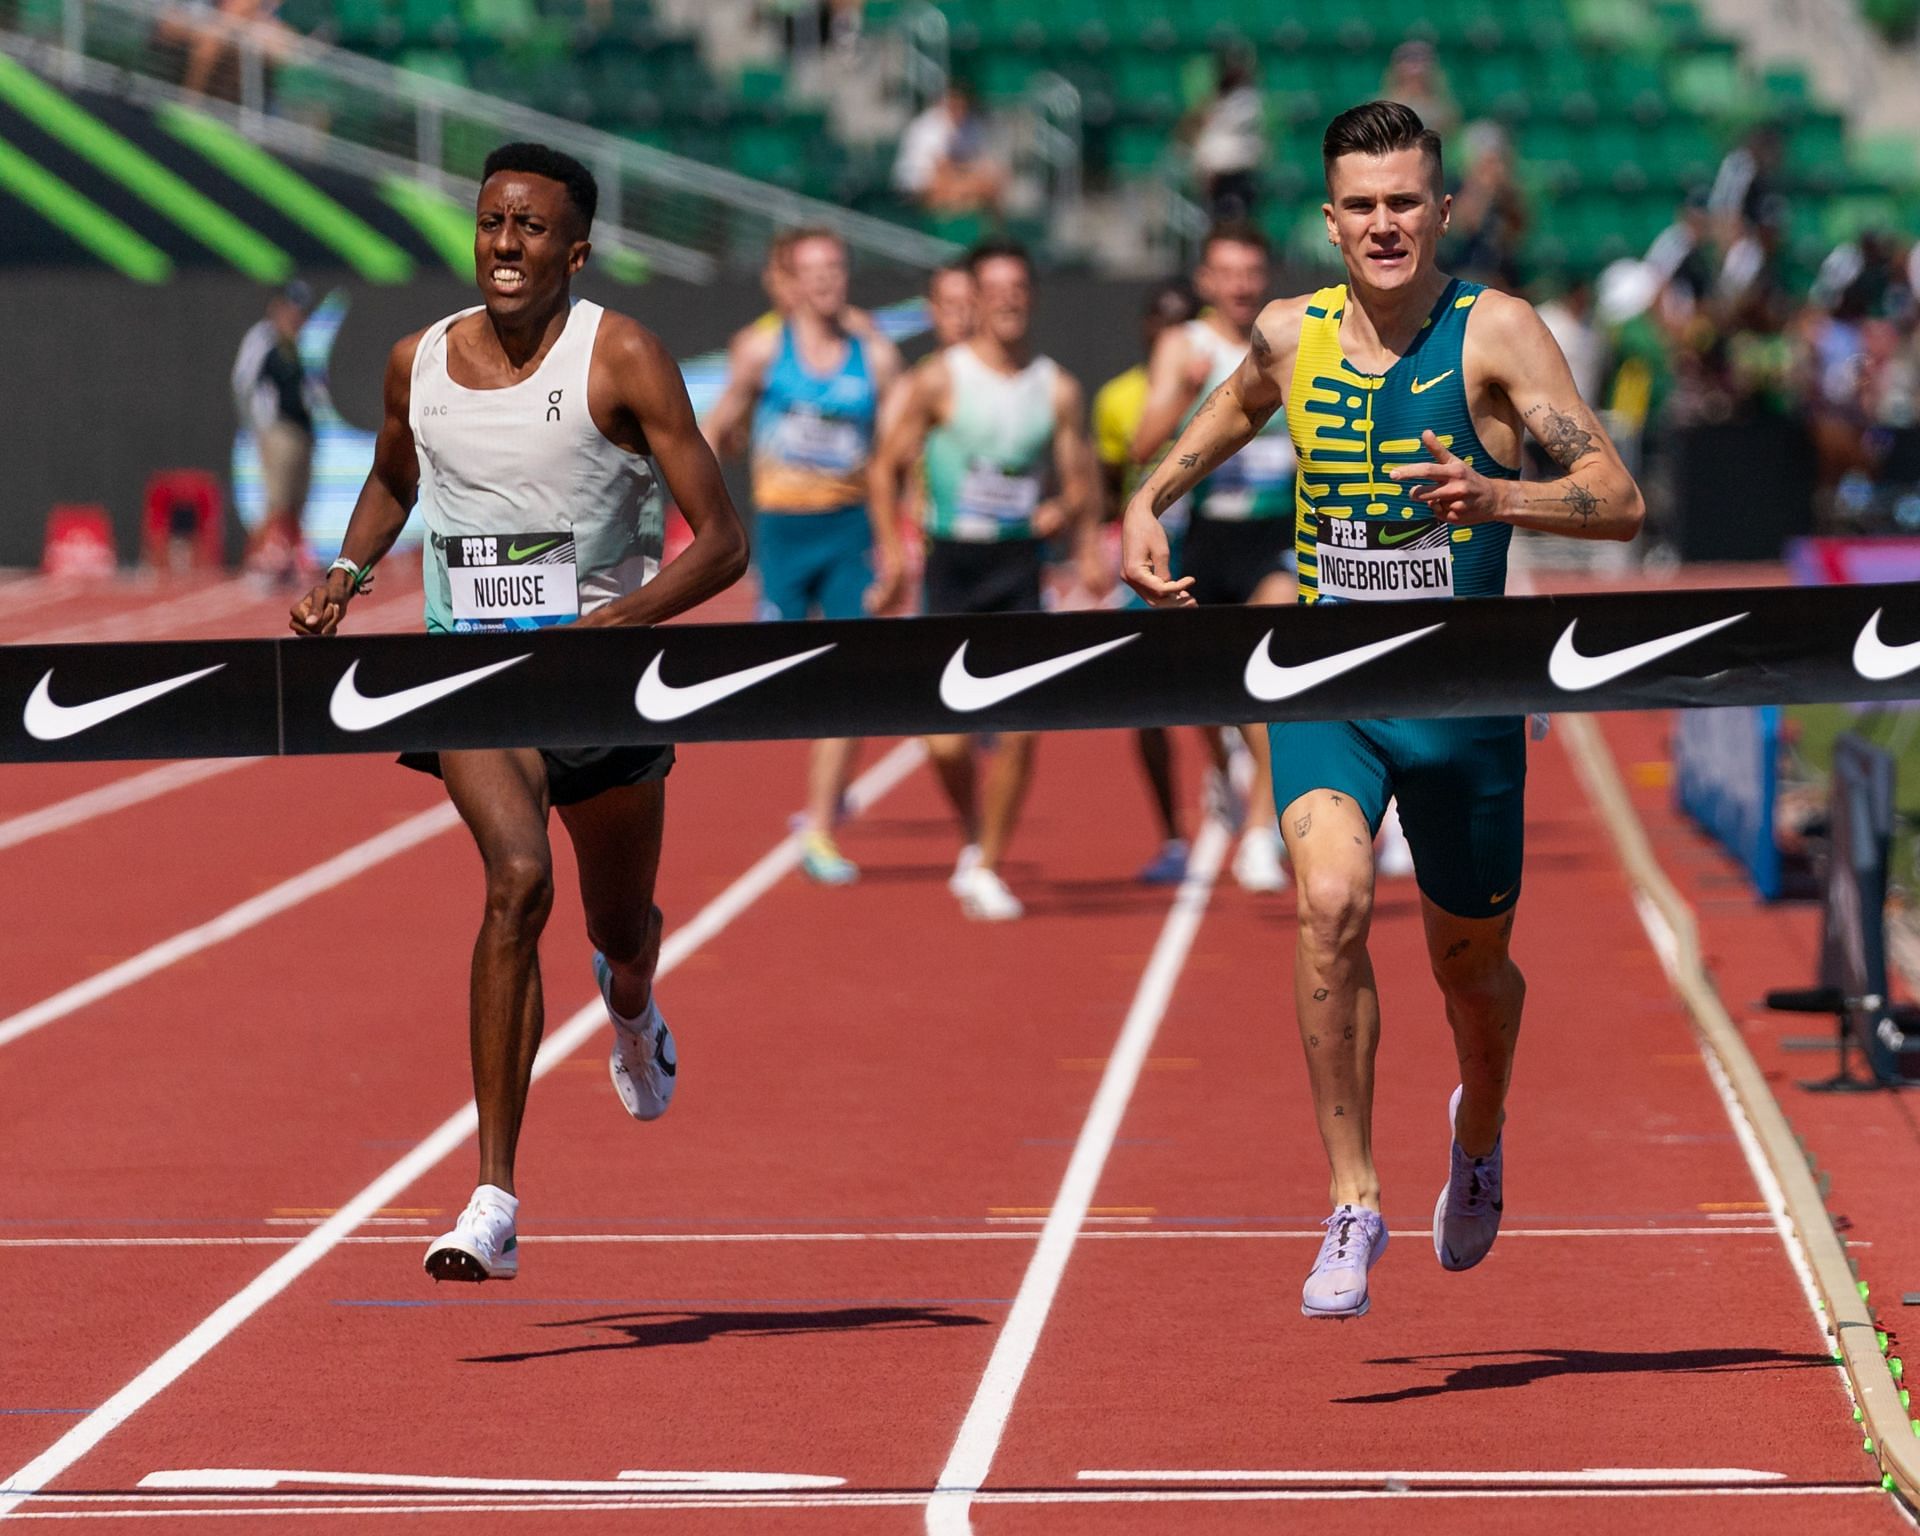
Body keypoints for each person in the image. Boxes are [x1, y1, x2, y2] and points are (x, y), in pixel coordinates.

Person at [1122, 101, 1644, 1319]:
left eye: (1405, 201)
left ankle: (1482, 1127)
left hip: (1461, 703)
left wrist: (1494, 498)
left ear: (1443, 209)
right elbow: (1239, 400)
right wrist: (1150, 495)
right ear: (1329, 218)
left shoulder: (1496, 333)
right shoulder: (1288, 330)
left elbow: (1615, 499)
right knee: (1332, 903)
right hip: (1325, 684)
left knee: (1474, 975)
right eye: (1361, 204)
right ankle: (1354, 1200)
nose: (1384, 224)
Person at [288, 142, 749, 1282]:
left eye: (532, 229)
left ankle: (632, 1009)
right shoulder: (419, 361)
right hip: (473, 673)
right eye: (493, 222)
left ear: (575, 251)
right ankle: (493, 1197)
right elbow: (397, 477)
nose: (506, 244)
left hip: (602, 681)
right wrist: (345, 575)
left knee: (618, 930)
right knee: (516, 879)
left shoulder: (622, 355)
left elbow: (725, 543)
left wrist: (620, 623)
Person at [870, 239, 1096, 920]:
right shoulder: (940, 379)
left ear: (1030, 295)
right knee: (944, 739)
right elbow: (884, 467)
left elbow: (1080, 478)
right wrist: (890, 551)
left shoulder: (1056, 387)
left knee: (1022, 729)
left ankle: (990, 863)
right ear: (975, 297)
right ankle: (976, 832)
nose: (1007, 299)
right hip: (953, 566)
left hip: (1018, 567)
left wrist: (1076, 530)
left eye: (1018, 286)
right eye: (993, 287)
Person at [702, 228, 902, 884]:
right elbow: (716, 427)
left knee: (855, 677)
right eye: (812, 270)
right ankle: (828, 779)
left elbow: (898, 451)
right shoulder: (762, 350)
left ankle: (820, 823)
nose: (825, 281)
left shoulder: (873, 354)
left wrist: (901, 537)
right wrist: (727, 455)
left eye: (835, 268)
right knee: (783, 679)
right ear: (789, 278)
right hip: (784, 528)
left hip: (848, 530)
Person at [1130, 221, 1294, 893]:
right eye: (1228, 274)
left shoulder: (1289, 342)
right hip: (1206, 537)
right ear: (1206, 281)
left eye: (1252, 273)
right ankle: (1231, 771)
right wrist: (1182, 393)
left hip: (1275, 535)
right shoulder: (1184, 344)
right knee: (1208, 690)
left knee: (1273, 675)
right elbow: (1141, 444)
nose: (1241, 286)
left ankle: (1260, 832)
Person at [1093, 277, 1201, 883]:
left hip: (1206, 548)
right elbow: (1115, 471)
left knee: (1223, 694)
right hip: (1146, 559)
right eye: (1163, 320)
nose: (1172, 332)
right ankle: (1171, 836)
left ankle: (1227, 774)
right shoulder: (1117, 396)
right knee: (1146, 701)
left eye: (1184, 320)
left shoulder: (1230, 374)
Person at [233, 279, 317, 585]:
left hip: (302, 431)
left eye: (301, 311)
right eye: (292, 309)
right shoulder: (263, 339)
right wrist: (259, 430)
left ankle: (291, 562)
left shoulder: (299, 342)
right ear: (277, 308)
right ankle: (256, 562)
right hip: (278, 430)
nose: (297, 317)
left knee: (296, 503)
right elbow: (243, 384)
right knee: (276, 502)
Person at [893, 80, 1007, 216]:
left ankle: (983, 229)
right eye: (953, 104)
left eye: (961, 105)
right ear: (944, 103)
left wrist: (975, 179)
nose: (957, 110)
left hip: (956, 181)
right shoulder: (928, 125)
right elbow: (941, 171)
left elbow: (983, 164)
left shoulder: (972, 124)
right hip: (914, 185)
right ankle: (944, 223)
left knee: (992, 183)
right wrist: (970, 180)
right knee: (947, 188)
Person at [1187, 49, 1265, 221]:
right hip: (1217, 172)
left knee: (1237, 215)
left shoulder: (1248, 100)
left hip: (1238, 171)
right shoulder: (1214, 100)